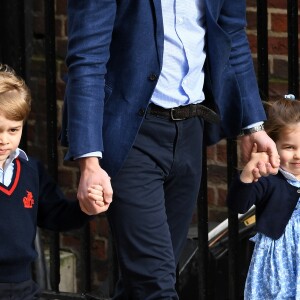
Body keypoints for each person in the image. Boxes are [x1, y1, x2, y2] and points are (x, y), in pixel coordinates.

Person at [60, 1, 280, 299]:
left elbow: (232, 36)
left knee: (142, 283)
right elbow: (87, 58)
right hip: (129, 136)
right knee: (156, 285)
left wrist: (252, 125)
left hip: (190, 132)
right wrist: (89, 161)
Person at [0, 63, 109, 300]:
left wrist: (84, 207)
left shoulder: (30, 170)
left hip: (23, 287)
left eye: (13, 130)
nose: (4, 139)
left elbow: (55, 214)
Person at [227, 95, 300, 299]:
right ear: (273, 145)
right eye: (289, 147)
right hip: (278, 264)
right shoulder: (269, 180)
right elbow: (238, 204)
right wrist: (249, 172)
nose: (298, 155)